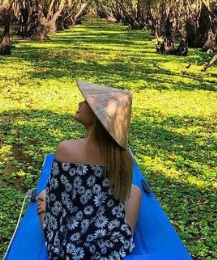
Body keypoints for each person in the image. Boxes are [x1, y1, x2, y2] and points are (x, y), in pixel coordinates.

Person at [36, 80, 142, 260]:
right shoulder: (122, 158)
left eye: (85, 101)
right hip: (108, 247)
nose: (80, 104)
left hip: (67, 247)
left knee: (43, 197)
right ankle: (119, 236)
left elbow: (58, 208)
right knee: (135, 191)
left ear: (97, 115)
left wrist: (47, 201)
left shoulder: (66, 149)